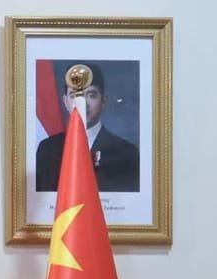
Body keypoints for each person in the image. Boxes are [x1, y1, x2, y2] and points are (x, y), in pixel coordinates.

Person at [34, 62, 140, 193]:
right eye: (74, 96)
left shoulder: (127, 152)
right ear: (66, 101)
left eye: (91, 95)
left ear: (103, 100)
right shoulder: (47, 149)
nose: (82, 103)